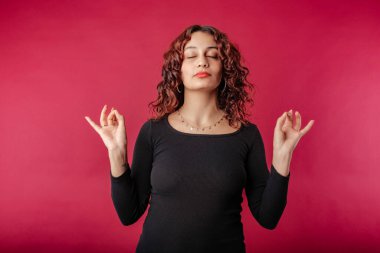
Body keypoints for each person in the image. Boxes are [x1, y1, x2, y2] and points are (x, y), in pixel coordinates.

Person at [85, 24, 314, 253]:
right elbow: (128, 214)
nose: (202, 61)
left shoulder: (247, 135)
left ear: (225, 68)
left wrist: (283, 158)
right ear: (178, 69)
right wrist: (117, 154)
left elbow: (268, 217)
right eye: (191, 55)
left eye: (213, 55)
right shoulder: (153, 132)